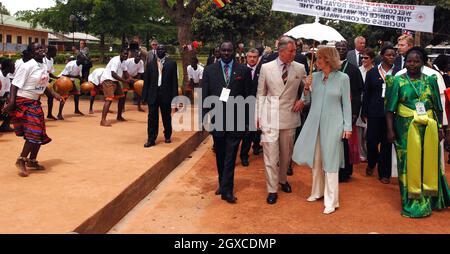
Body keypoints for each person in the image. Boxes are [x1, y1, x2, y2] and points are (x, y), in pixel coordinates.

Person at [385, 47, 450, 218]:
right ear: (405, 62)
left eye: (416, 61)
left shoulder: (431, 80)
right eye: (409, 61)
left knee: (428, 161)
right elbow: (389, 109)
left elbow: (438, 106)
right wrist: (390, 130)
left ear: (423, 62)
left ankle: (431, 199)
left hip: (429, 127)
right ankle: (412, 202)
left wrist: (442, 128)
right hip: (404, 129)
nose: (412, 64)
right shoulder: (397, 81)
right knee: (407, 163)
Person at [292, 46, 352, 215]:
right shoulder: (314, 77)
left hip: (334, 124)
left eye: (318, 58)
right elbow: (307, 100)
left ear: (328, 59)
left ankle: (332, 201)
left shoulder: (343, 78)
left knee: (331, 161)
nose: (315, 61)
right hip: (314, 122)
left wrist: (347, 126)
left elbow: (347, 104)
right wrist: (306, 88)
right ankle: (316, 191)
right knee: (316, 158)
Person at [257, 36, 307, 204]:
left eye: (295, 51)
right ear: (282, 51)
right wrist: (258, 116)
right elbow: (261, 94)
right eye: (292, 51)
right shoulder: (266, 67)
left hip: (290, 117)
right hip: (270, 117)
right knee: (270, 156)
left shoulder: (300, 68)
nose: (295, 53)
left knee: (286, 156)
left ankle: (283, 180)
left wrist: (304, 99)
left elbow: (307, 89)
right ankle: (272, 189)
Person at [1, 43, 63, 177]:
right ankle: (21, 160)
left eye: (42, 47)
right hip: (24, 101)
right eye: (37, 49)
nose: (41, 50)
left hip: (35, 102)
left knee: (39, 132)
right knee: (34, 131)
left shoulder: (44, 65)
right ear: (31, 53)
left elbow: (43, 83)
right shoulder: (27, 66)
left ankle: (32, 160)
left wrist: (54, 94)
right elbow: (14, 85)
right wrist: (11, 102)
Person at [202, 41, 251, 204]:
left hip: (236, 119)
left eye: (229, 50)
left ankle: (227, 190)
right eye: (223, 50)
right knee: (221, 155)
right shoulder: (209, 71)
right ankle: (222, 183)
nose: (226, 53)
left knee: (230, 155)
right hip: (217, 119)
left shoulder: (243, 70)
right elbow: (204, 96)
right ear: (219, 51)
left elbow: (249, 97)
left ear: (234, 52)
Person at [361, 46, 396, 184]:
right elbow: (367, 93)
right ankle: (371, 163)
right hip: (374, 112)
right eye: (388, 55)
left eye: (394, 55)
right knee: (372, 141)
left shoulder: (398, 73)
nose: (391, 57)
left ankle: (384, 173)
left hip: (391, 113)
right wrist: (364, 111)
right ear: (382, 56)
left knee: (387, 142)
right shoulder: (372, 72)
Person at [335, 41, 363, 182]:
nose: (340, 50)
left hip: (348, 110)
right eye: (338, 48)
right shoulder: (329, 68)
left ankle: (345, 172)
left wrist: (354, 113)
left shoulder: (353, 69)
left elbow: (358, 94)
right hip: (332, 110)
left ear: (347, 50)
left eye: (343, 48)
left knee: (346, 142)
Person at [142, 44, 178, 146]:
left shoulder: (172, 64)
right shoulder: (150, 64)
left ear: (165, 51)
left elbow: (174, 82)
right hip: (153, 94)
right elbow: (147, 81)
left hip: (166, 94)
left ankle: (167, 135)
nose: (160, 51)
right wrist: (144, 96)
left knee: (166, 116)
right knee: (152, 117)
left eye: (162, 49)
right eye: (159, 49)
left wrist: (175, 98)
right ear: (156, 51)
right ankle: (151, 139)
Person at [239, 48, 262, 167]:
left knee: (249, 133)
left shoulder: (263, 71)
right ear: (246, 57)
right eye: (250, 57)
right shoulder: (239, 70)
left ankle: (244, 155)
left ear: (258, 58)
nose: (252, 59)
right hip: (240, 106)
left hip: (255, 106)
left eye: (255, 57)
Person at [99, 48, 129, 126]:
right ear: (120, 53)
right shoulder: (116, 60)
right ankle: (103, 120)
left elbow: (126, 72)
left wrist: (134, 81)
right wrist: (124, 81)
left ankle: (119, 116)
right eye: (124, 54)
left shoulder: (124, 62)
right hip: (108, 80)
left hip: (115, 80)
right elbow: (113, 74)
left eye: (127, 54)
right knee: (109, 99)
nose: (126, 55)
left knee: (122, 97)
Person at [356, 48, 376, 162]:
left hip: (371, 104)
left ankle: (370, 154)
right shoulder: (358, 70)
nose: (363, 60)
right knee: (359, 131)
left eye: (366, 58)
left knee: (368, 131)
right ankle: (361, 154)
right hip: (360, 103)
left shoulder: (376, 71)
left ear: (372, 59)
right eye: (362, 57)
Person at [56, 53, 86, 120]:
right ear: (78, 59)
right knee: (64, 97)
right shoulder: (71, 64)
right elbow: (64, 74)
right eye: (83, 60)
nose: (84, 61)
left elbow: (79, 75)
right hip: (64, 81)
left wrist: (83, 80)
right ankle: (59, 114)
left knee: (77, 94)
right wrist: (76, 77)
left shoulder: (80, 65)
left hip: (71, 81)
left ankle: (76, 110)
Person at [0, 59, 15, 132]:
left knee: (13, 103)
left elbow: (7, 92)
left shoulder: (7, 77)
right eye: (13, 66)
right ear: (8, 67)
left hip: (1, 99)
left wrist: (8, 100)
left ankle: (5, 126)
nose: (14, 68)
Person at [44, 46, 58, 120]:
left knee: (50, 96)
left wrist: (57, 78)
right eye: (55, 52)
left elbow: (50, 72)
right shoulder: (43, 59)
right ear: (51, 52)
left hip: (47, 82)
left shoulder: (51, 59)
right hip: (41, 81)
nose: (56, 53)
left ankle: (49, 114)